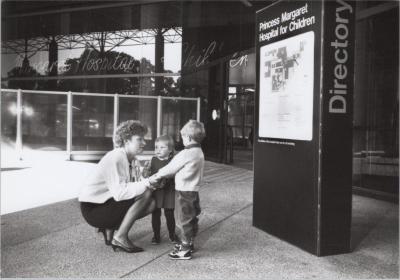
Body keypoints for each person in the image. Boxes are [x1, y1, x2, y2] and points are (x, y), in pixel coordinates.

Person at [79, 120, 157, 253]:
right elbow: (120, 193)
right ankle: (120, 237)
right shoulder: (117, 157)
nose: (144, 143)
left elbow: (130, 186)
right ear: (126, 140)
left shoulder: (132, 159)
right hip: (93, 209)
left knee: (150, 200)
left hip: (103, 203)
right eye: (139, 139)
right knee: (147, 195)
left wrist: (148, 180)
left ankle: (110, 228)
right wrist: (148, 182)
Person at [150, 120, 205, 260]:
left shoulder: (186, 153)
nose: (183, 141)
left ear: (189, 138)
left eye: (183, 138)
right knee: (192, 216)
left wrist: (157, 175)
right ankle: (189, 242)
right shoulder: (199, 152)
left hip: (183, 190)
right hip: (193, 190)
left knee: (183, 219)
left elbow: (170, 168)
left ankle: (185, 249)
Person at [142, 135, 177, 245]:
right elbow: (146, 175)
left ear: (170, 149)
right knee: (155, 214)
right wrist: (145, 170)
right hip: (156, 191)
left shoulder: (173, 161)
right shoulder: (152, 160)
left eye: (162, 147)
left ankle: (172, 234)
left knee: (169, 214)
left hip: (169, 191)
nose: (158, 150)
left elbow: (177, 175)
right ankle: (156, 235)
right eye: (156, 147)